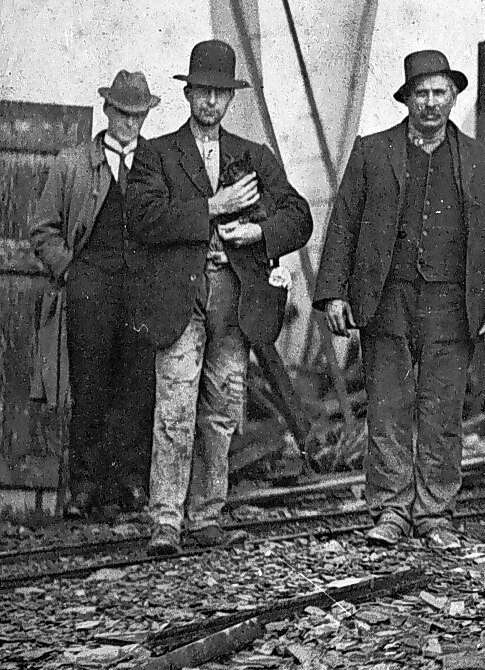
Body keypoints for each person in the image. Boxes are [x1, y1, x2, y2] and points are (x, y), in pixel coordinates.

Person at [314, 50, 485, 549]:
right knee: (387, 407)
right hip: (387, 299)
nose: (431, 103)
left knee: (442, 412)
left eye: (440, 93)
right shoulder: (371, 151)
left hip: (451, 303)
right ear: (406, 99)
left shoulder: (480, 160)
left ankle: (434, 513)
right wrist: (334, 293)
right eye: (421, 93)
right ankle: (390, 510)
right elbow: (343, 225)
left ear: (454, 97)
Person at [126, 40, 312, 556]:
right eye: (202, 91)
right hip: (180, 298)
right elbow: (141, 218)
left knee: (223, 408)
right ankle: (166, 521)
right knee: (175, 406)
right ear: (188, 94)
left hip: (234, 299)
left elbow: (299, 215)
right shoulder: (157, 154)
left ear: (230, 98)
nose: (210, 101)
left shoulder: (254, 156)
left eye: (220, 93)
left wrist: (260, 233)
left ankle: (206, 516)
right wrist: (213, 205)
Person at [29, 70, 162, 519]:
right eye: (122, 113)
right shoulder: (74, 163)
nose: (129, 123)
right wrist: (71, 270)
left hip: (140, 292)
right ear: (107, 110)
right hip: (90, 289)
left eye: (137, 115)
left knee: (137, 386)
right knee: (89, 387)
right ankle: (84, 488)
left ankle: (130, 484)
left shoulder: (156, 164)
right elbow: (43, 229)